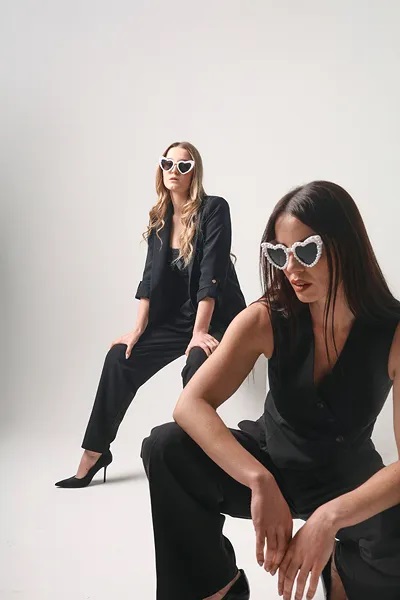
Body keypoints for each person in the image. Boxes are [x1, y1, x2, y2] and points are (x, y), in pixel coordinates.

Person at [141, 181, 400, 600]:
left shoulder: (393, 332)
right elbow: (190, 405)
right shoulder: (265, 318)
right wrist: (258, 479)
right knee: (166, 448)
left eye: (307, 251)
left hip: (347, 479)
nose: (291, 269)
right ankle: (217, 586)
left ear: (346, 246)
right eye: (279, 254)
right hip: (273, 460)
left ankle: (345, 574)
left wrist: (328, 519)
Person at [55, 141, 246, 489]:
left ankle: (197, 457)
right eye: (167, 163)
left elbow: (211, 276)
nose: (174, 170)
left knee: (196, 363)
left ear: (194, 172)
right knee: (120, 357)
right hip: (176, 319)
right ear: (161, 169)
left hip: (216, 317)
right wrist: (137, 330)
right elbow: (149, 280)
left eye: (184, 165)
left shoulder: (214, 209)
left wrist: (199, 333)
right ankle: (95, 452)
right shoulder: (159, 218)